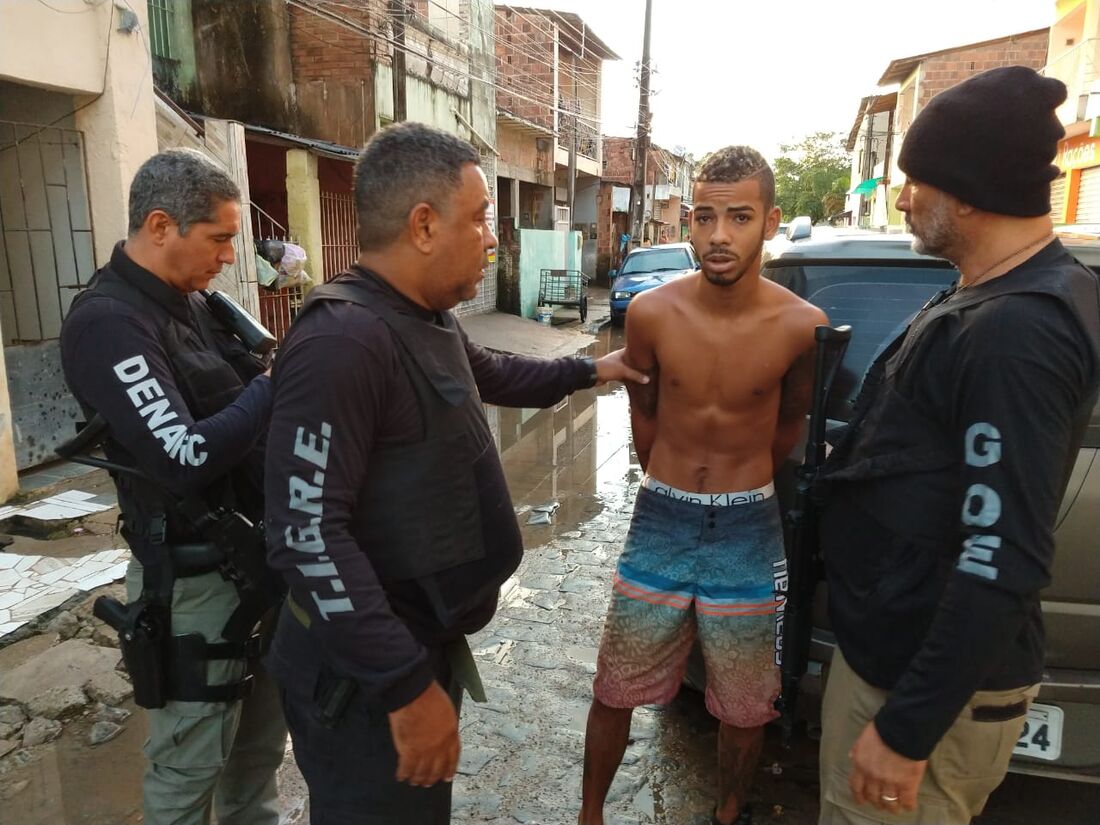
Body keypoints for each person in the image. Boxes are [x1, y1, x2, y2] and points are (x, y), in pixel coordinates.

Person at [262, 121, 647, 825]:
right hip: (362, 678)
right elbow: (306, 533)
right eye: (479, 219)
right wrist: (405, 686)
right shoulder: (342, 341)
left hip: (414, 646)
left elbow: (492, 371)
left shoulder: (425, 318)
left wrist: (591, 369)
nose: (492, 238)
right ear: (424, 225)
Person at [815, 66, 1100, 824]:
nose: (903, 198)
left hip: (918, 693)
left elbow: (1001, 555)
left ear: (969, 189)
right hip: (896, 659)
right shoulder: (993, 290)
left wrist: (908, 729)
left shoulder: (1018, 330)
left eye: (917, 181)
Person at [579, 146, 828, 825]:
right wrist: (678, 482)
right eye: (705, 216)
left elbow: (791, 420)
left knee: (746, 698)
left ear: (770, 221)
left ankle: (726, 812)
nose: (719, 235)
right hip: (661, 516)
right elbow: (644, 412)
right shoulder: (652, 314)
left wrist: (739, 478)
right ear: (688, 221)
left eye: (740, 217)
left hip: (749, 528)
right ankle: (590, 814)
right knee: (616, 681)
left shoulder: (801, 326)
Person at [59, 149, 286, 824]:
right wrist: (272, 390)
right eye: (218, 239)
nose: (227, 257)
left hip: (257, 566)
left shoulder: (193, 304)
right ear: (161, 226)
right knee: (188, 770)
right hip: (194, 586)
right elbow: (184, 453)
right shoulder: (108, 323)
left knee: (256, 760)